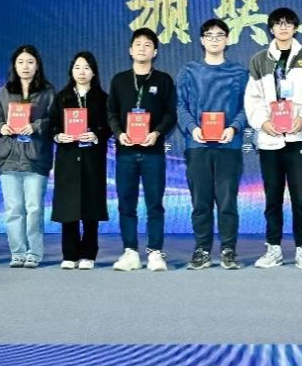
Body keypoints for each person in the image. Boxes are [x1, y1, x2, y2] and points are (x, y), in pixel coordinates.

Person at [246, 7, 302, 270]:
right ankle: (273, 248)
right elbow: (253, 98)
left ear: (295, 27)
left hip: (298, 136)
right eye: (278, 23)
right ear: (271, 28)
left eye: (288, 23)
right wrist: (263, 123)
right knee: (273, 197)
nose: (283, 27)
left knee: (301, 196)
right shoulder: (259, 59)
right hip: (270, 139)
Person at [177, 18, 250, 271]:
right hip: (197, 146)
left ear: (227, 40)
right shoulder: (189, 71)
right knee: (201, 202)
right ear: (202, 40)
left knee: (227, 202)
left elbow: (247, 107)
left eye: (220, 35)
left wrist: (234, 128)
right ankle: (202, 250)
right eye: (209, 35)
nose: (215, 39)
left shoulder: (239, 72)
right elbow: (180, 106)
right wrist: (192, 128)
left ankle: (229, 250)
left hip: (228, 146)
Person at [107, 28, 177, 272]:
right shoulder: (119, 80)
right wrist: (119, 133)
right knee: (126, 203)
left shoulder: (164, 80)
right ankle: (130, 252)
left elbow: (171, 114)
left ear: (155, 52)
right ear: (130, 50)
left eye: (148, 45)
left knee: (154, 203)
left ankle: (155, 252)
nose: (142, 48)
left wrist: (156, 133)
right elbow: (111, 112)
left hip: (153, 152)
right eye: (138, 44)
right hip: (126, 152)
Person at [0, 44, 55, 269]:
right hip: (9, 157)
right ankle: (17, 252)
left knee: (34, 208)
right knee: (13, 210)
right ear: (14, 66)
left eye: (30, 62)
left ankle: (34, 253)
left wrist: (36, 126)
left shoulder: (47, 92)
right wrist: (1, 126)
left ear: (37, 65)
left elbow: (55, 121)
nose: (25, 66)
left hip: (35, 157)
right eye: (20, 62)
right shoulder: (5, 91)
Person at [50, 52, 111, 270]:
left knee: (91, 207)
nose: (81, 72)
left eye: (86, 67)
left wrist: (96, 134)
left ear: (94, 72)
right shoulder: (61, 97)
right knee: (69, 207)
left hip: (92, 159)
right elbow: (52, 125)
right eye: (77, 67)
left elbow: (110, 126)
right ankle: (69, 254)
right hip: (68, 158)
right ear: (71, 71)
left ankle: (88, 254)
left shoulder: (103, 98)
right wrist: (58, 136)